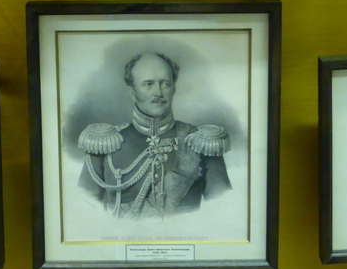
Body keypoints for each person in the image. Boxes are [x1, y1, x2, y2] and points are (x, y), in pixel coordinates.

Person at [77, 51, 232, 219]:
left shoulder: (200, 142)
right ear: (132, 92)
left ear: (174, 88)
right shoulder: (104, 143)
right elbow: (86, 211)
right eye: (148, 84)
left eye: (165, 83)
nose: (158, 92)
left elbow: (222, 211)